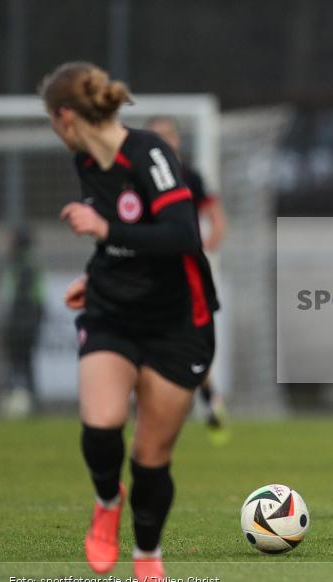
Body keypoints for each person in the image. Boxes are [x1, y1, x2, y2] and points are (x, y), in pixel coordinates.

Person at [40, 62, 219, 582]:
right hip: (112, 312)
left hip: (178, 323)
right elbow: (118, 240)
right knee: (101, 425)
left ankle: (147, 557)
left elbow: (182, 235)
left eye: (52, 121)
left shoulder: (149, 153)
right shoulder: (85, 160)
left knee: (150, 460)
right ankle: (105, 501)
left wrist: (105, 228)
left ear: (65, 116)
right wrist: (93, 276)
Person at [146, 116, 228, 436]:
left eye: (168, 134)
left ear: (178, 140)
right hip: (148, 273)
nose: (164, 141)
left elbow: (216, 218)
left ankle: (208, 395)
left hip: (185, 274)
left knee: (191, 339)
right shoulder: (139, 177)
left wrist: (205, 245)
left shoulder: (190, 178)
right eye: (156, 135)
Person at [0, 227, 45, 417]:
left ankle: (16, 399)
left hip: (22, 322)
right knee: (25, 363)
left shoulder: (24, 264)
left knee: (18, 362)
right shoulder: (27, 262)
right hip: (27, 320)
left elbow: (23, 297)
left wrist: (14, 323)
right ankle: (29, 400)